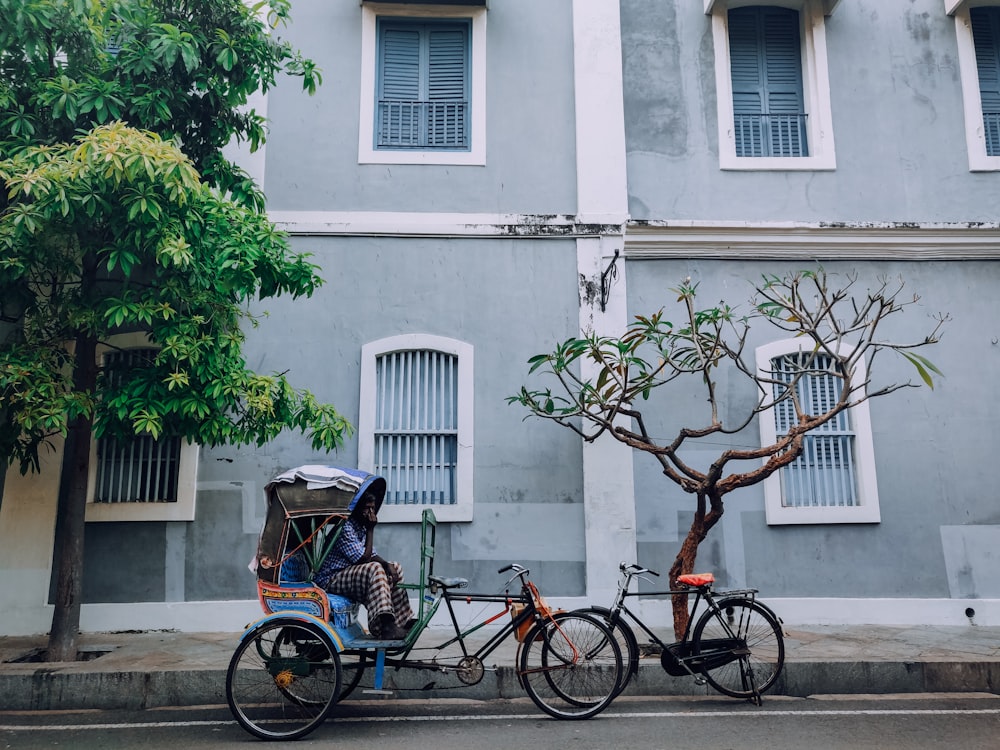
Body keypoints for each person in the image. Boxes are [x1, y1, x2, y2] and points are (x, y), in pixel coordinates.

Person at [313, 490, 414, 640]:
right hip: (330, 579)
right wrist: (371, 529)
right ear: (357, 509)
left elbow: (371, 554)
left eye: (372, 508)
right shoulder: (346, 528)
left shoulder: (360, 527)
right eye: (367, 508)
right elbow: (364, 559)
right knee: (374, 569)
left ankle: (402, 620)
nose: (370, 512)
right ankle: (385, 625)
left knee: (395, 567)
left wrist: (387, 565)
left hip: (347, 574)